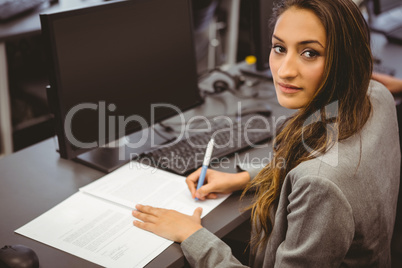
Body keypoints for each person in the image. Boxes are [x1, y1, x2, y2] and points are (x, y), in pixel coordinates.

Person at [132, 0, 401, 266]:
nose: (284, 71)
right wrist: (244, 179)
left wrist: (192, 235)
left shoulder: (321, 185)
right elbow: (313, 166)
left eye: (310, 53)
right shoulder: (375, 95)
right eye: (279, 48)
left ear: (346, 59)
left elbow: (319, 180)